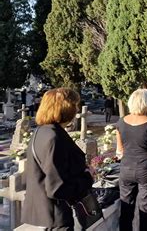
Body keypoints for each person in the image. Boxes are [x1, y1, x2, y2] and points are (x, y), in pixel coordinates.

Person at [22, 88, 93, 230]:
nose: (77, 109)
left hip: (44, 210)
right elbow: (56, 188)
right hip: (57, 215)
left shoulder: (42, 131)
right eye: (75, 105)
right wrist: (87, 178)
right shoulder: (54, 138)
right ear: (65, 108)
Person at [116, 89, 147, 230]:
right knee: (146, 207)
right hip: (146, 169)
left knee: (126, 207)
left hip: (126, 168)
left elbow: (120, 150)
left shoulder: (120, 123)